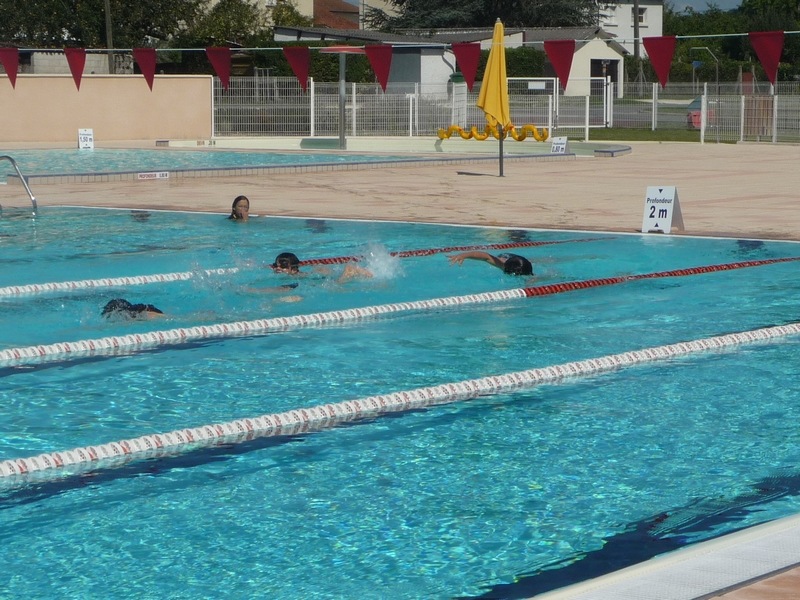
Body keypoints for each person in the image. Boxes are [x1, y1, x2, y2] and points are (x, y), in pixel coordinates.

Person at [448, 251, 533, 276]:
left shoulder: (527, 269)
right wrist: (464, 255)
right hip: (505, 256)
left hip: (520, 259)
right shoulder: (503, 265)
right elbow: (486, 256)